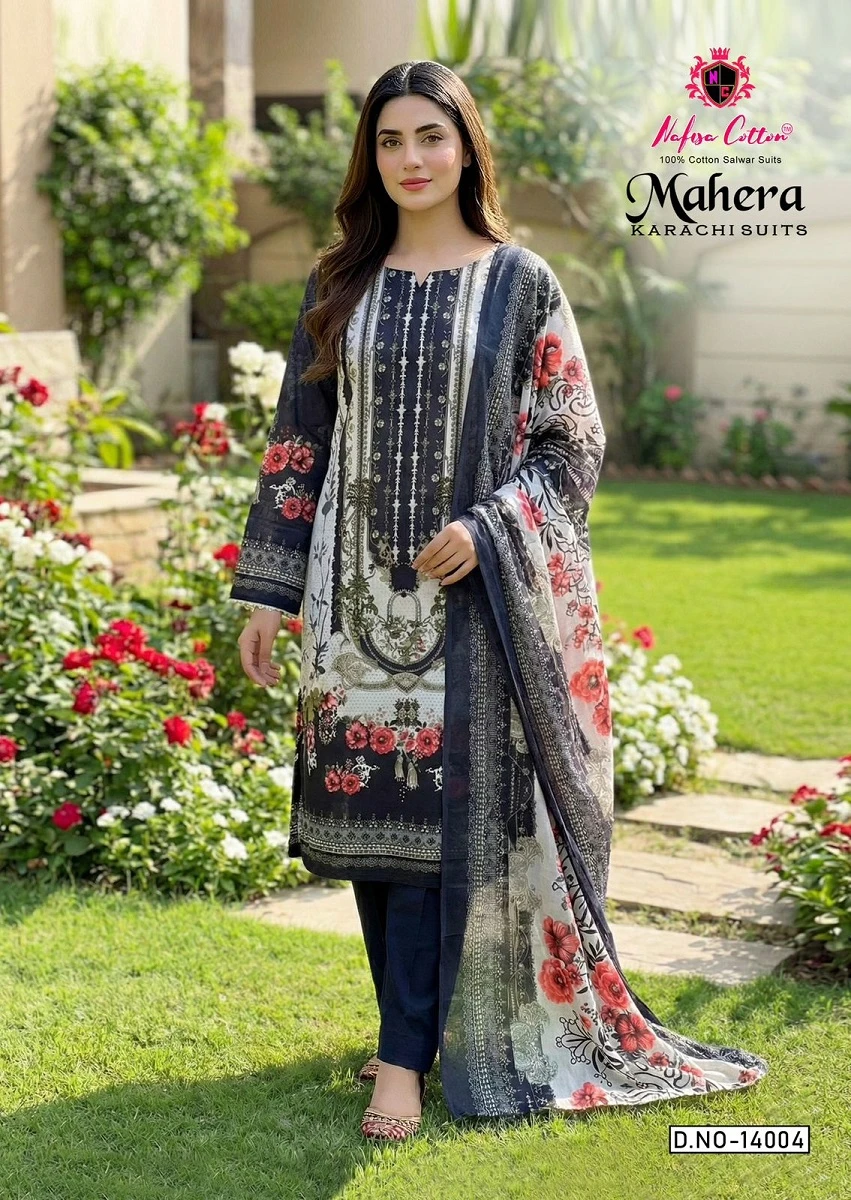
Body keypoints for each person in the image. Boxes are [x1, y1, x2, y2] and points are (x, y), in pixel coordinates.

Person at [231, 60, 768, 1141]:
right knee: (367, 824)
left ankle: (400, 1062)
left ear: (466, 146)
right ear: (370, 157)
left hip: (471, 614)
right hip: (349, 605)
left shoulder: (521, 283)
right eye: (390, 141)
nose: (411, 159)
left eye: (431, 136)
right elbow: (299, 441)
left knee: (434, 837)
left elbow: (573, 440)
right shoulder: (339, 280)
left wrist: (488, 529)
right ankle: (410, 1027)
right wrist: (268, 591)